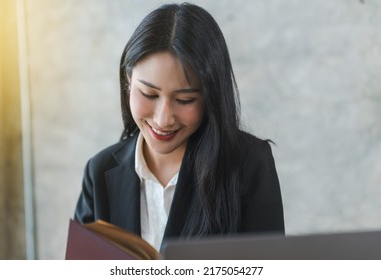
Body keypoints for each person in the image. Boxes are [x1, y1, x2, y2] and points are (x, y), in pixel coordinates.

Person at [74, 2, 284, 251]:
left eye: (185, 100)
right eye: (149, 94)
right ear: (128, 81)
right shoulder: (100, 171)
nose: (163, 119)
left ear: (211, 96)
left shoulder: (249, 165)